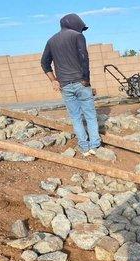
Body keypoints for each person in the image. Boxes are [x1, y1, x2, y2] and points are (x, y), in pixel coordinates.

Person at [41, 13, 101, 156]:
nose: (80, 31)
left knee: (75, 117)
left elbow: (44, 63)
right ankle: (95, 145)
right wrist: (86, 80)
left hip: (65, 85)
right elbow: (84, 58)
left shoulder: (51, 41)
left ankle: (84, 148)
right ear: (73, 24)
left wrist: (53, 80)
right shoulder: (77, 36)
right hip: (81, 82)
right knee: (90, 115)